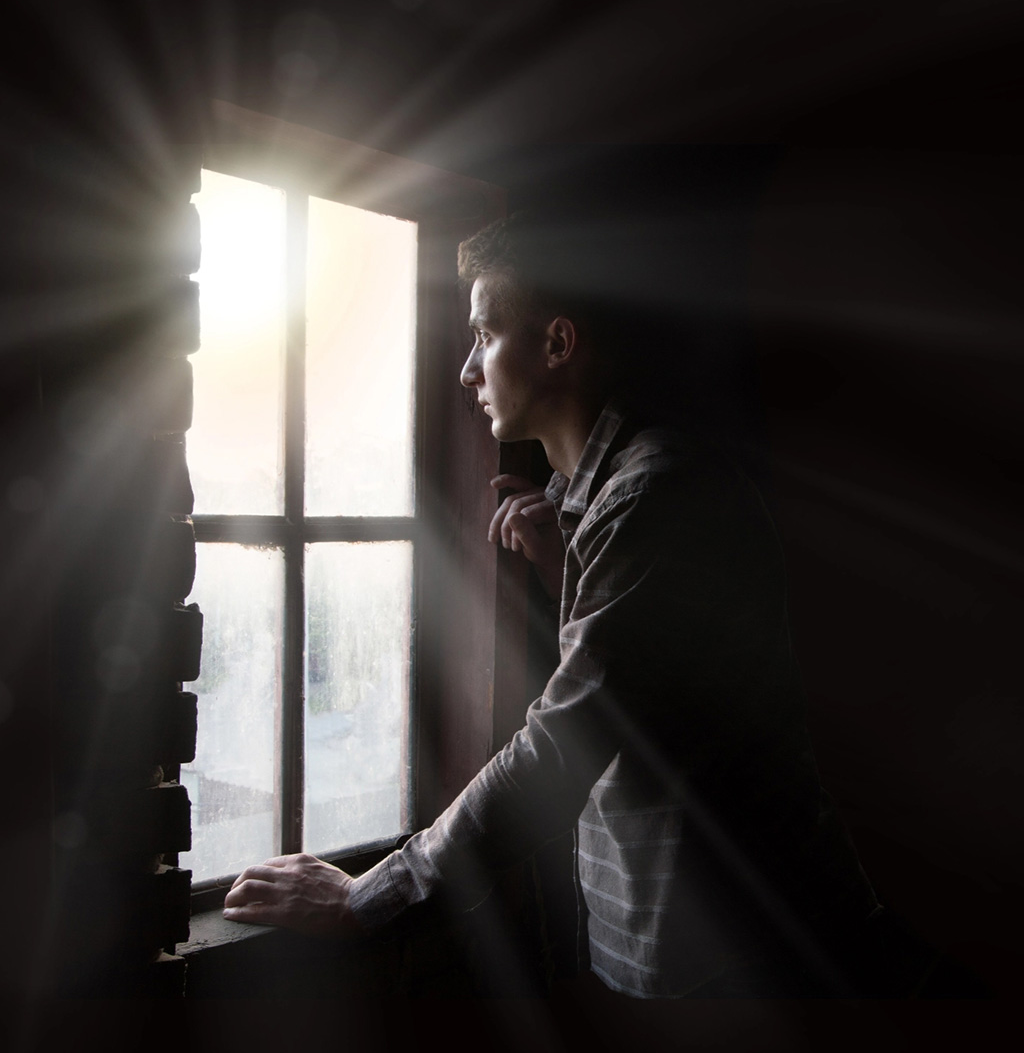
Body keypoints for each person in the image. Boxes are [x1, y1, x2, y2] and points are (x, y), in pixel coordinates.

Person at [223, 212, 885, 998]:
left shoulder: (656, 496)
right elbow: (662, 683)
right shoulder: (605, 501)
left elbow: (564, 745)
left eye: (484, 335)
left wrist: (371, 895)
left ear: (557, 345)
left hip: (748, 964)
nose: (469, 370)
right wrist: (567, 560)